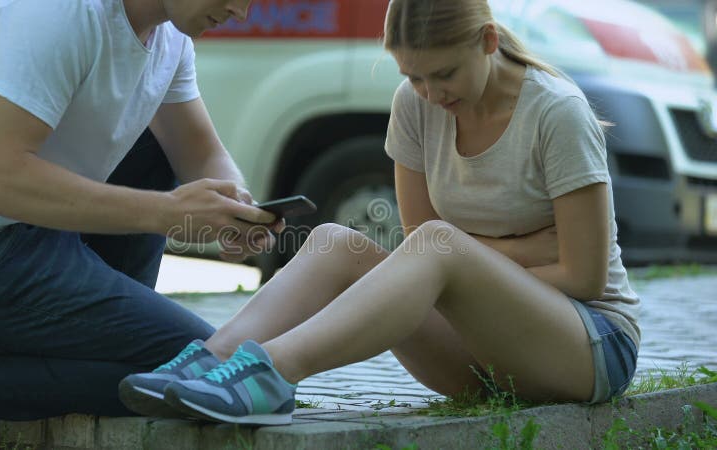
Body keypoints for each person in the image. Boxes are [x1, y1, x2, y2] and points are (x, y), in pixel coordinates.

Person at [119, 0, 642, 426]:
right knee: (332, 240)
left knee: (437, 246)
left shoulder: (557, 112)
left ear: (487, 42)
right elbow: (423, 250)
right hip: (477, 350)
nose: (431, 94)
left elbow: (582, 274)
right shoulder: (414, 105)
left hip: (588, 345)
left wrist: (463, 257)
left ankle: (271, 375)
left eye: (444, 74)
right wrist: (520, 248)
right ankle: (212, 359)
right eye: (414, 76)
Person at [0, 0, 280, 444]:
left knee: (156, 145)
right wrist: (169, 213)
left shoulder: (168, 38)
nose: (240, 12)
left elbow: (200, 151)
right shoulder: (57, 13)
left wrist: (235, 207)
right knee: (195, 368)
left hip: (25, 231)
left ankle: (103, 337)